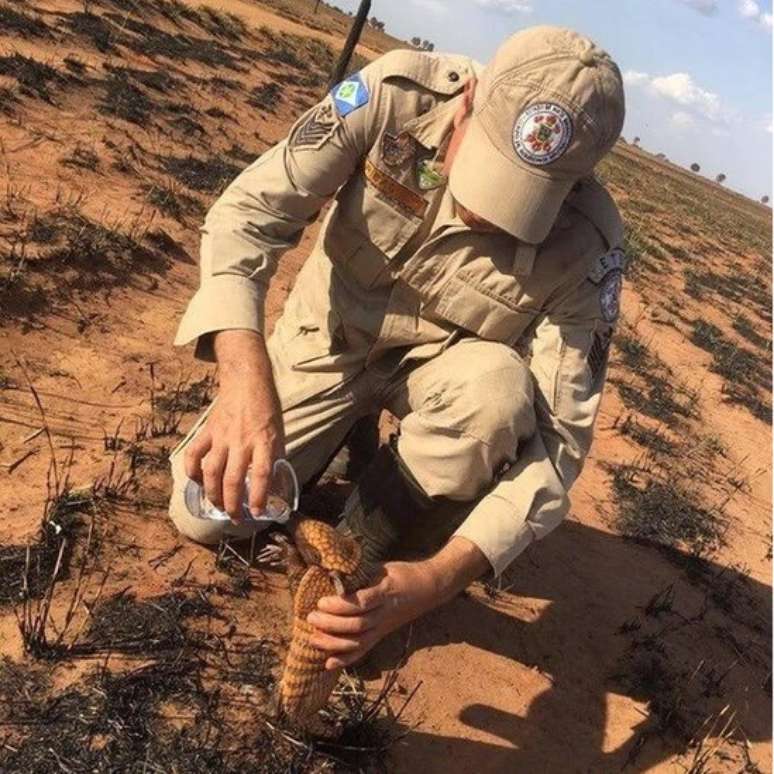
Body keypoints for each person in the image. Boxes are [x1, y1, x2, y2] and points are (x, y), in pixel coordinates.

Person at [168, 25, 627, 671]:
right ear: (467, 99)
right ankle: (342, 429)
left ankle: (362, 546)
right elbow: (248, 216)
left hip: (436, 375)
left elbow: (560, 444)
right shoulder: (393, 95)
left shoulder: (589, 245)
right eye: (490, 168)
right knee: (206, 515)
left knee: (495, 394)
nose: (490, 215)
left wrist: (438, 580)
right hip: (327, 339)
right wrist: (245, 387)